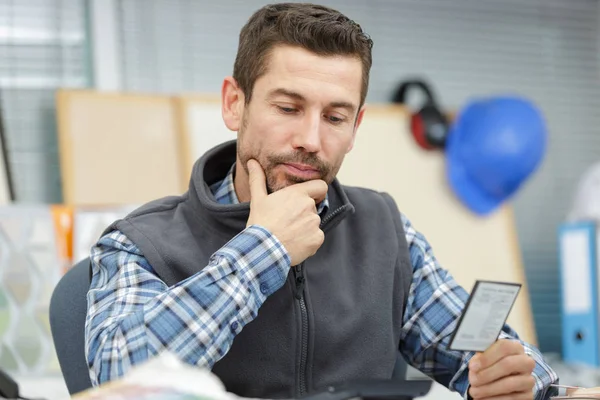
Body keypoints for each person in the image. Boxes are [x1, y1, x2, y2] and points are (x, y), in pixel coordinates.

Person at [84, 3, 559, 400]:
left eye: (335, 117)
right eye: (288, 108)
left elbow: (480, 353)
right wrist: (263, 250)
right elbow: (120, 376)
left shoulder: (384, 229)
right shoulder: (140, 243)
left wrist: (524, 379)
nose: (311, 139)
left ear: (356, 127)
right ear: (234, 104)